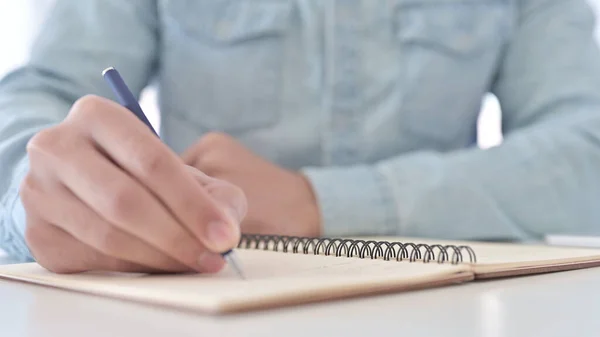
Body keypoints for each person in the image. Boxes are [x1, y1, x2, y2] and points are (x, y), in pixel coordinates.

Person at [2, 0, 600, 274]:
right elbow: (42, 96)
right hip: (199, 295)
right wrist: (41, 193)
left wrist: (318, 201)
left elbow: (587, 149)